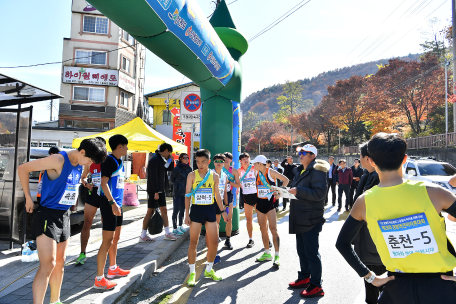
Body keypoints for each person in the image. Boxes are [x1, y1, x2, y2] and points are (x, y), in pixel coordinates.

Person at [336, 133, 456, 304]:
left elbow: (342, 244)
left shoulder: (364, 202)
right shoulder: (435, 193)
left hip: (396, 287)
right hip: (441, 287)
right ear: (405, 159)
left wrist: (370, 277)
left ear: (371, 161)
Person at [18, 138, 107, 304]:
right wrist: (28, 199)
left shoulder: (80, 162)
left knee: (60, 262)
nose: (90, 163)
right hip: (47, 215)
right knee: (48, 264)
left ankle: (56, 301)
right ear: (82, 152)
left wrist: (84, 182)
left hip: (64, 214)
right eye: (89, 159)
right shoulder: (58, 159)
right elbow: (23, 168)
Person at [287, 145, 328, 298]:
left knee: (312, 253)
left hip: (311, 218)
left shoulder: (318, 171)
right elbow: (294, 189)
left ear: (312, 155)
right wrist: (283, 193)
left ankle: (316, 285)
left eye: (304, 153)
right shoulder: (300, 170)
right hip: (300, 217)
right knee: (302, 251)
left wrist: (298, 191)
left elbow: (320, 194)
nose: (301, 155)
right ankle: (305, 277)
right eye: (300, 153)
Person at [185, 149, 230, 286]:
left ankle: (209, 270)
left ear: (208, 162)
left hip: (210, 210)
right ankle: (192, 273)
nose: (200, 164)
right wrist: (186, 214)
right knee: (194, 242)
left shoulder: (214, 176)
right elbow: (187, 195)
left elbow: (218, 196)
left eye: (203, 162)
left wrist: (223, 211)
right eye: (198, 162)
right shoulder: (192, 175)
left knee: (214, 242)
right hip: (197, 210)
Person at [95, 135, 131, 290]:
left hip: (117, 204)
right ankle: (99, 278)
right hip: (110, 204)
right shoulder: (108, 160)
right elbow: (103, 184)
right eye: (126, 146)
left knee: (115, 239)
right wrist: (112, 203)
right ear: (119, 146)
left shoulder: (120, 161)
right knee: (107, 241)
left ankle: (113, 268)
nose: (128, 149)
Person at [351, 142, 384, 304]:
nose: (359, 160)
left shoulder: (380, 178)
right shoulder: (368, 175)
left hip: (375, 244)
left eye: (360, 157)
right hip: (365, 241)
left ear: (367, 158)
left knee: (382, 285)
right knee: (370, 285)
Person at [252, 155, 289, 267]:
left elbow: (286, 180)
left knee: (273, 229)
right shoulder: (256, 173)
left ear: (260, 163)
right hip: (260, 203)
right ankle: (267, 253)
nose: (253, 165)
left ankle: (277, 256)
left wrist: (279, 194)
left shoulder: (270, 172)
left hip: (270, 204)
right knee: (263, 229)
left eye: (255, 163)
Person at [75, 137, 106, 266]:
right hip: (93, 194)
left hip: (105, 195)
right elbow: (83, 178)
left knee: (107, 225)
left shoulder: (107, 161)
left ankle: (105, 251)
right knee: (87, 223)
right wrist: (87, 184)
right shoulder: (89, 162)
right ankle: (82, 253)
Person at [141, 143, 176, 242]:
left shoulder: (160, 159)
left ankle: (167, 233)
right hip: (155, 191)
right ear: (165, 150)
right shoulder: (154, 160)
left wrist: (170, 160)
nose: (169, 154)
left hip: (160, 190)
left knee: (163, 210)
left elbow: (168, 168)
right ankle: (143, 235)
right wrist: (156, 191)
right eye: (169, 152)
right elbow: (152, 177)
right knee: (150, 212)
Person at [211, 154, 229, 263]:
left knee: (216, 226)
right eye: (216, 161)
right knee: (211, 227)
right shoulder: (210, 174)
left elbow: (225, 192)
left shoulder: (225, 175)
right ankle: (213, 252)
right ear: (213, 162)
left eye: (221, 161)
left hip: (220, 203)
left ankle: (214, 251)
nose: (218, 162)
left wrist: (225, 205)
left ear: (224, 163)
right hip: (209, 202)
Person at [238, 152, 258, 248]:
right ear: (240, 161)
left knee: (262, 219)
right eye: (244, 159)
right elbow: (234, 182)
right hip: (246, 197)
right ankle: (251, 239)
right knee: (249, 219)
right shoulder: (239, 171)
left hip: (257, 196)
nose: (246, 160)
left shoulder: (254, 168)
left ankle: (267, 238)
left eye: (247, 158)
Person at [170, 153, 192, 236]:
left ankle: (180, 226)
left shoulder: (189, 169)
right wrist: (179, 185)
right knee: (176, 210)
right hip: (177, 192)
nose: (186, 159)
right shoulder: (177, 168)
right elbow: (172, 179)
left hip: (186, 193)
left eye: (187, 157)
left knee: (183, 210)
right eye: (184, 158)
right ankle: (175, 228)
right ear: (180, 159)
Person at [223, 152, 241, 250]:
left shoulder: (233, 171)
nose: (226, 159)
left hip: (229, 196)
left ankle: (228, 240)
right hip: (219, 196)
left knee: (229, 219)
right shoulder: (218, 169)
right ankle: (214, 239)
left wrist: (229, 182)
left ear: (231, 160)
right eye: (225, 158)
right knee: (215, 220)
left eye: (228, 158)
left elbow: (238, 185)